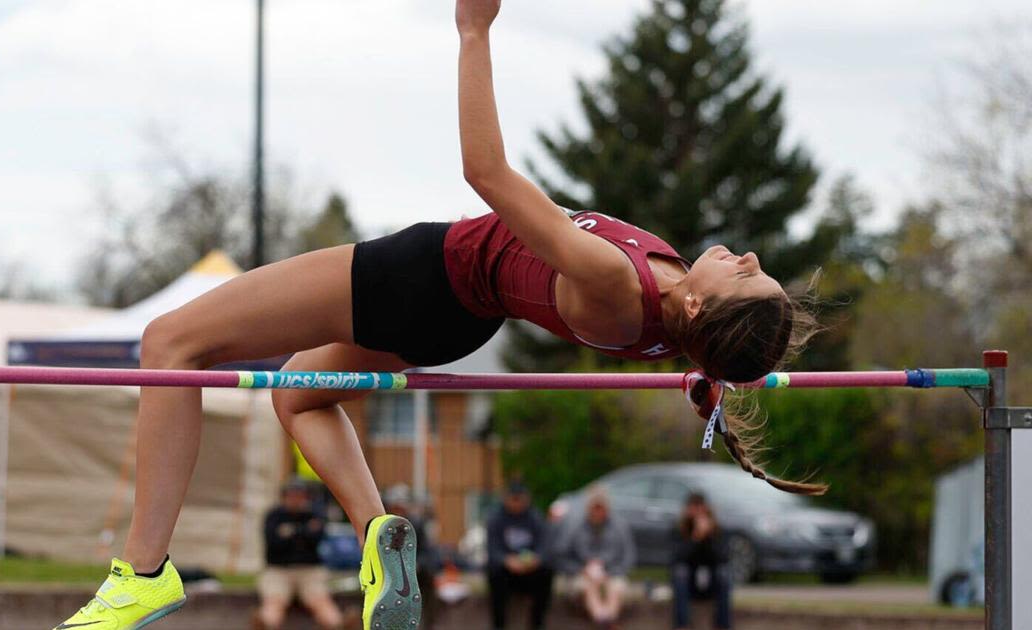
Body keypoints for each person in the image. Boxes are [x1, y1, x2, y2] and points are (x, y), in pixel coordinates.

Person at [56, 1, 818, 628]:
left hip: (422, 276)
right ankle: (374, 537)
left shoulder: (617, 285)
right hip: (459, 321)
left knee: (172, 342)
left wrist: (474, 31)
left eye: (749, 279)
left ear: (697, 306)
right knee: (296, 393)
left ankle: (143, 571)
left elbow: (485, 173)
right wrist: (706, 382)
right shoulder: (672, 313)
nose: (750, 260)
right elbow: (701, 346)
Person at [255, 480, 344, 630]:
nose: (296, 499)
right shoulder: (274, 515)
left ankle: (338, 625)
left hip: (310, 571)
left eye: (300, 496)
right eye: (292, 496)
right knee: (275, 602)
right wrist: (304, 531)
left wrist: (290, 533)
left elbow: (316, 539)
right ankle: (266, 624)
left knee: (320, 601)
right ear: (284, 497)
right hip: (279, 570)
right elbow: (275, 543)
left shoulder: (314, 514)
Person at [556, 486, 634, 628]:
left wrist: (609, 572)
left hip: (613, 571)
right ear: (588, 507)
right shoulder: (575, 526)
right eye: (595, 507)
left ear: (607, 508)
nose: (598, 512)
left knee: (615, 588)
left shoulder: (619, 526)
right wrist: (581, 569)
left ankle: (607, 619)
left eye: (601, 507)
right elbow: (561, 554)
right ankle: (602, 619)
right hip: (582, 573)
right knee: (588, 587)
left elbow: (628, 555)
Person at [486, 482, 553, 630]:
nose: (516, 503)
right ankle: (499, 624)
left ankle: (537, 623)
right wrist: (507, 560)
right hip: (506, 572)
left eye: (519, 499)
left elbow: (546, 548)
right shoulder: (495, 519)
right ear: (506, 499)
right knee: (494, 572)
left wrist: (536, 559)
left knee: (547, 571)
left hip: (531, 571)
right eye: (513, 499)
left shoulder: (536, 518)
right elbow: (492, 551)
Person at [382, 484, 442, 628]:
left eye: (401, 508)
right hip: (388, 571)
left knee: (428, 577)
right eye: (395, 507)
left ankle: (429, 623)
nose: (399, 511)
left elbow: (427, 551)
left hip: (414, 570)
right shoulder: (382, 526)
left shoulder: (416, 524)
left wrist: (416, 565)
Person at [671, 493, 731, 630]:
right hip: (688, 583)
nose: (698, 513)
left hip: (711, 582)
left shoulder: (718, 531)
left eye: (700, 507)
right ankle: (682, 625)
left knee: (724, 573)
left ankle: (722, 625)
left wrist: (709, 537)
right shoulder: (678, 530)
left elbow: (723, 558)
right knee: (680, 572)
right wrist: (695, 538)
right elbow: (677, 558)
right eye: (694, 507)